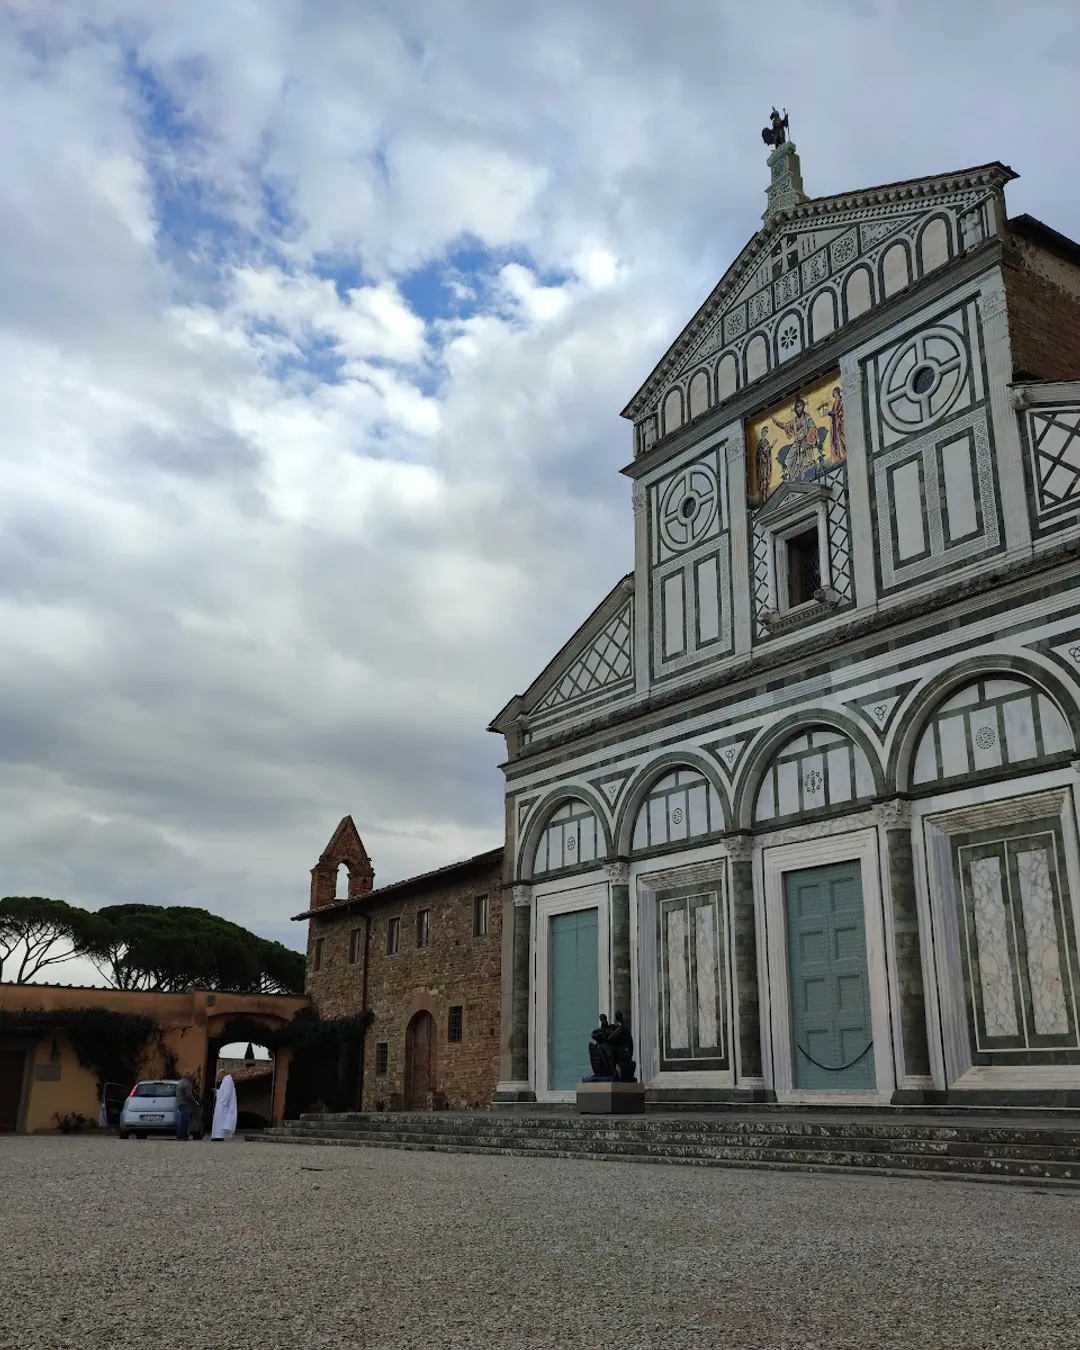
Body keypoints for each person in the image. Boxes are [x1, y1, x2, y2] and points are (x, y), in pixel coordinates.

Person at [211, 1072, 237, 1141]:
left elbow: (227, 1094)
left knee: (221, 1121)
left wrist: (222, 1102)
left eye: (219, 1075)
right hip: (221, 1105)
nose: (218, 1077)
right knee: (219, 1121)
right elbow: (223, 1092)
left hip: (223, 1106)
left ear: (222, 1074)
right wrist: (217, 1091)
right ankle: (217, 1136)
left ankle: (219, 1136)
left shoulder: (228, 1081)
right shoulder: (225, 1081)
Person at [175, 1073, 197, 1141]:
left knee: (181, 1119)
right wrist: (195, 1101)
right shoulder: (187, 1084)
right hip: (185, 1103)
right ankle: (182, 1136)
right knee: (184, 1120)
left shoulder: (180, 1082)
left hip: (179, 1102)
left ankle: (180, 1135)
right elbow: (189, 1095)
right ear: (189, 1077)